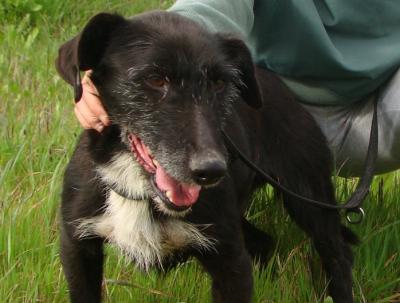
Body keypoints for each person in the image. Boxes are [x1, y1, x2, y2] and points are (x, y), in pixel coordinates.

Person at [73, 0, 400, 177]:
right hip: (276, 119)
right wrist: (113, 64)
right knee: (208, 84)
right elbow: (208, 10)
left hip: (387, 111)